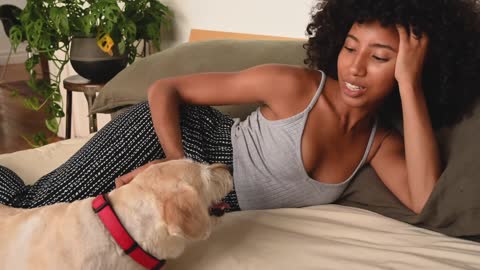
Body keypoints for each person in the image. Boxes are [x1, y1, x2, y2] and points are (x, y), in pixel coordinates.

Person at [1, 0, 479, 214]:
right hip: (169, 140)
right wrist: (176, 165)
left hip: (206, 201)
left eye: (380, 59)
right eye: (350, 47)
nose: (354, 68)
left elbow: (422, 196)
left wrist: (410, 86)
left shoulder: (379, 144)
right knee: (31, 207)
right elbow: (164, 89)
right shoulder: (294, 86)